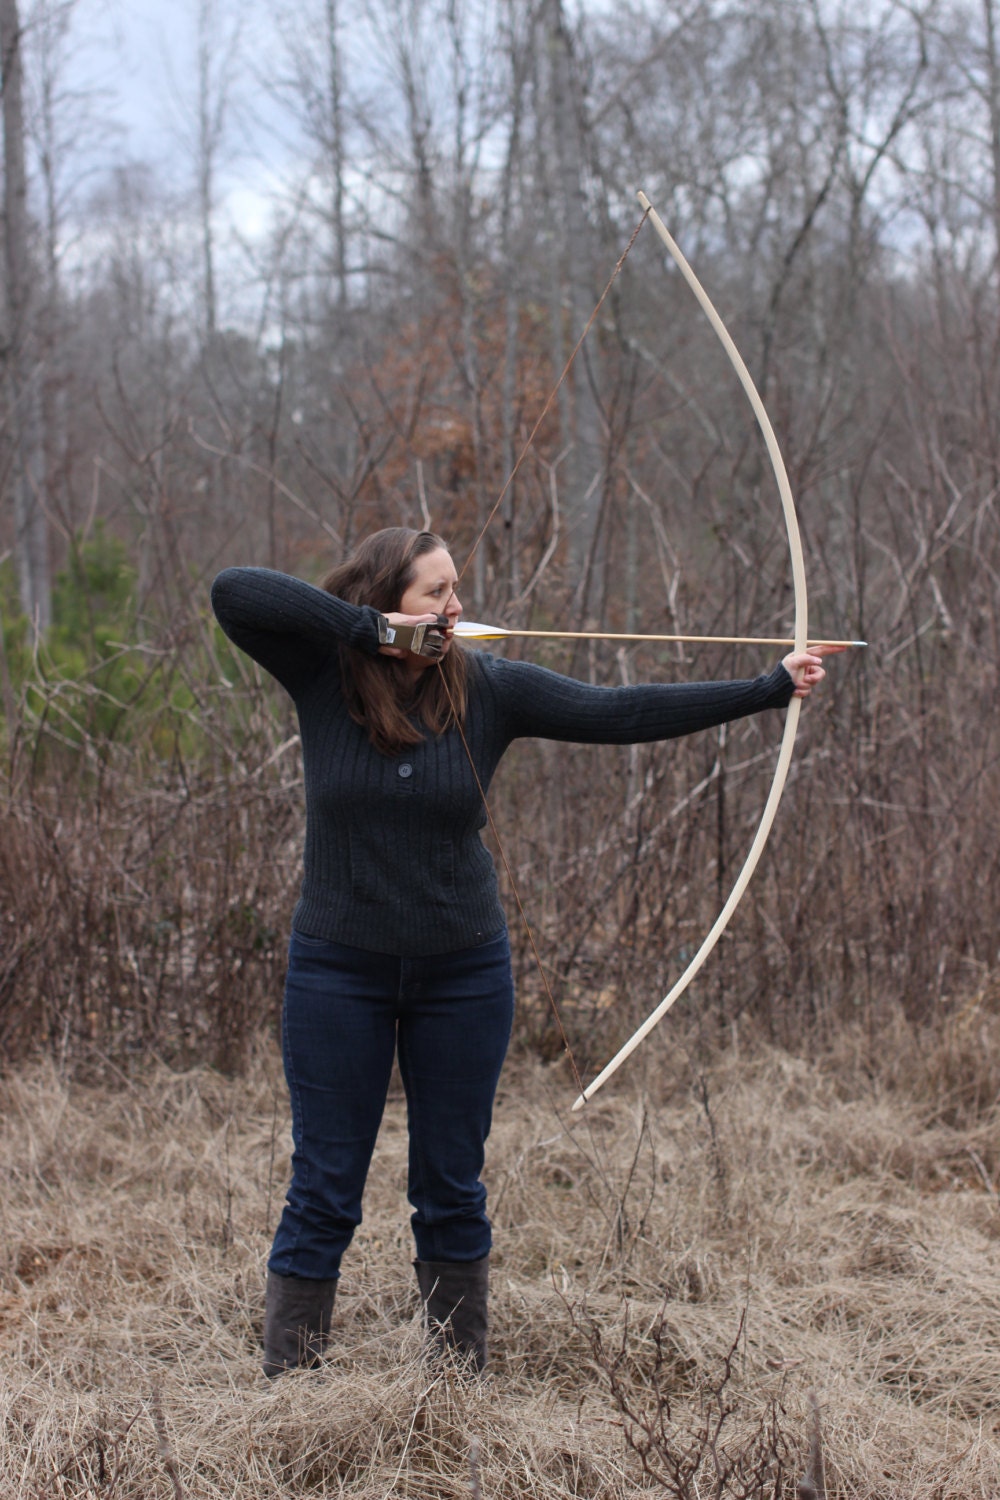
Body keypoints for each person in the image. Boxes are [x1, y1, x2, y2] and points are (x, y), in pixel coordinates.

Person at [210, 527, 837, 1377]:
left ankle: (457, 1382)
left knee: (451, 1187)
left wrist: (768, 688)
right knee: (323, 1187)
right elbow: (234, 589)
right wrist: (365, 633)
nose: (456, 607)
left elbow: (621, 712)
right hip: (338, 971)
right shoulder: (323, 674)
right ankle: (293, 1388)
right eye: (435, 593)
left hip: (462, 973)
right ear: (389, 602)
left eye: (456, 589)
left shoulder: (488, 687)